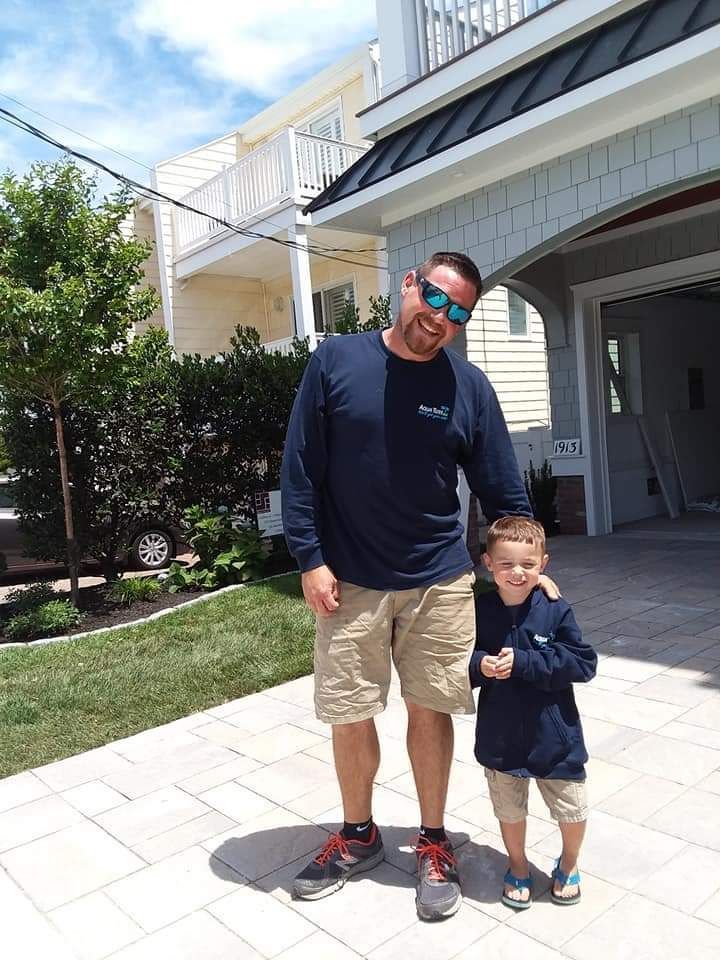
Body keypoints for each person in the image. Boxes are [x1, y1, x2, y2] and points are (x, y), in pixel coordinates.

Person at [280, 251, 555, 921]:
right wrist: (310, 559)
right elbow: (299, 469)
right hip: (349, 582)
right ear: (410, 285)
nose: (441, 317)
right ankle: (358, 833)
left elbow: (501, 488)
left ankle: (433, 841)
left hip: (439, 582)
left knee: (430, 710)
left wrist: (527, 564)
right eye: (436, 298)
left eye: (459, 311)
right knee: (350, 711)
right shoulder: (336, 362)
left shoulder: (468, 386)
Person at [470, 515, 596, 910]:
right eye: (506, 563)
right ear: (488, 563)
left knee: (571, 808)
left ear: (544, 563)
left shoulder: (555, 609)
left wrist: (526, 662)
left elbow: (583, 663)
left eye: (527, 563)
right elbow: (460, 659)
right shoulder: (481, 610)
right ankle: (518, 865)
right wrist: (480, 666)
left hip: (556, 738)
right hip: (500, 736)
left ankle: (569, 864)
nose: (517, 572)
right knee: (509, 809)